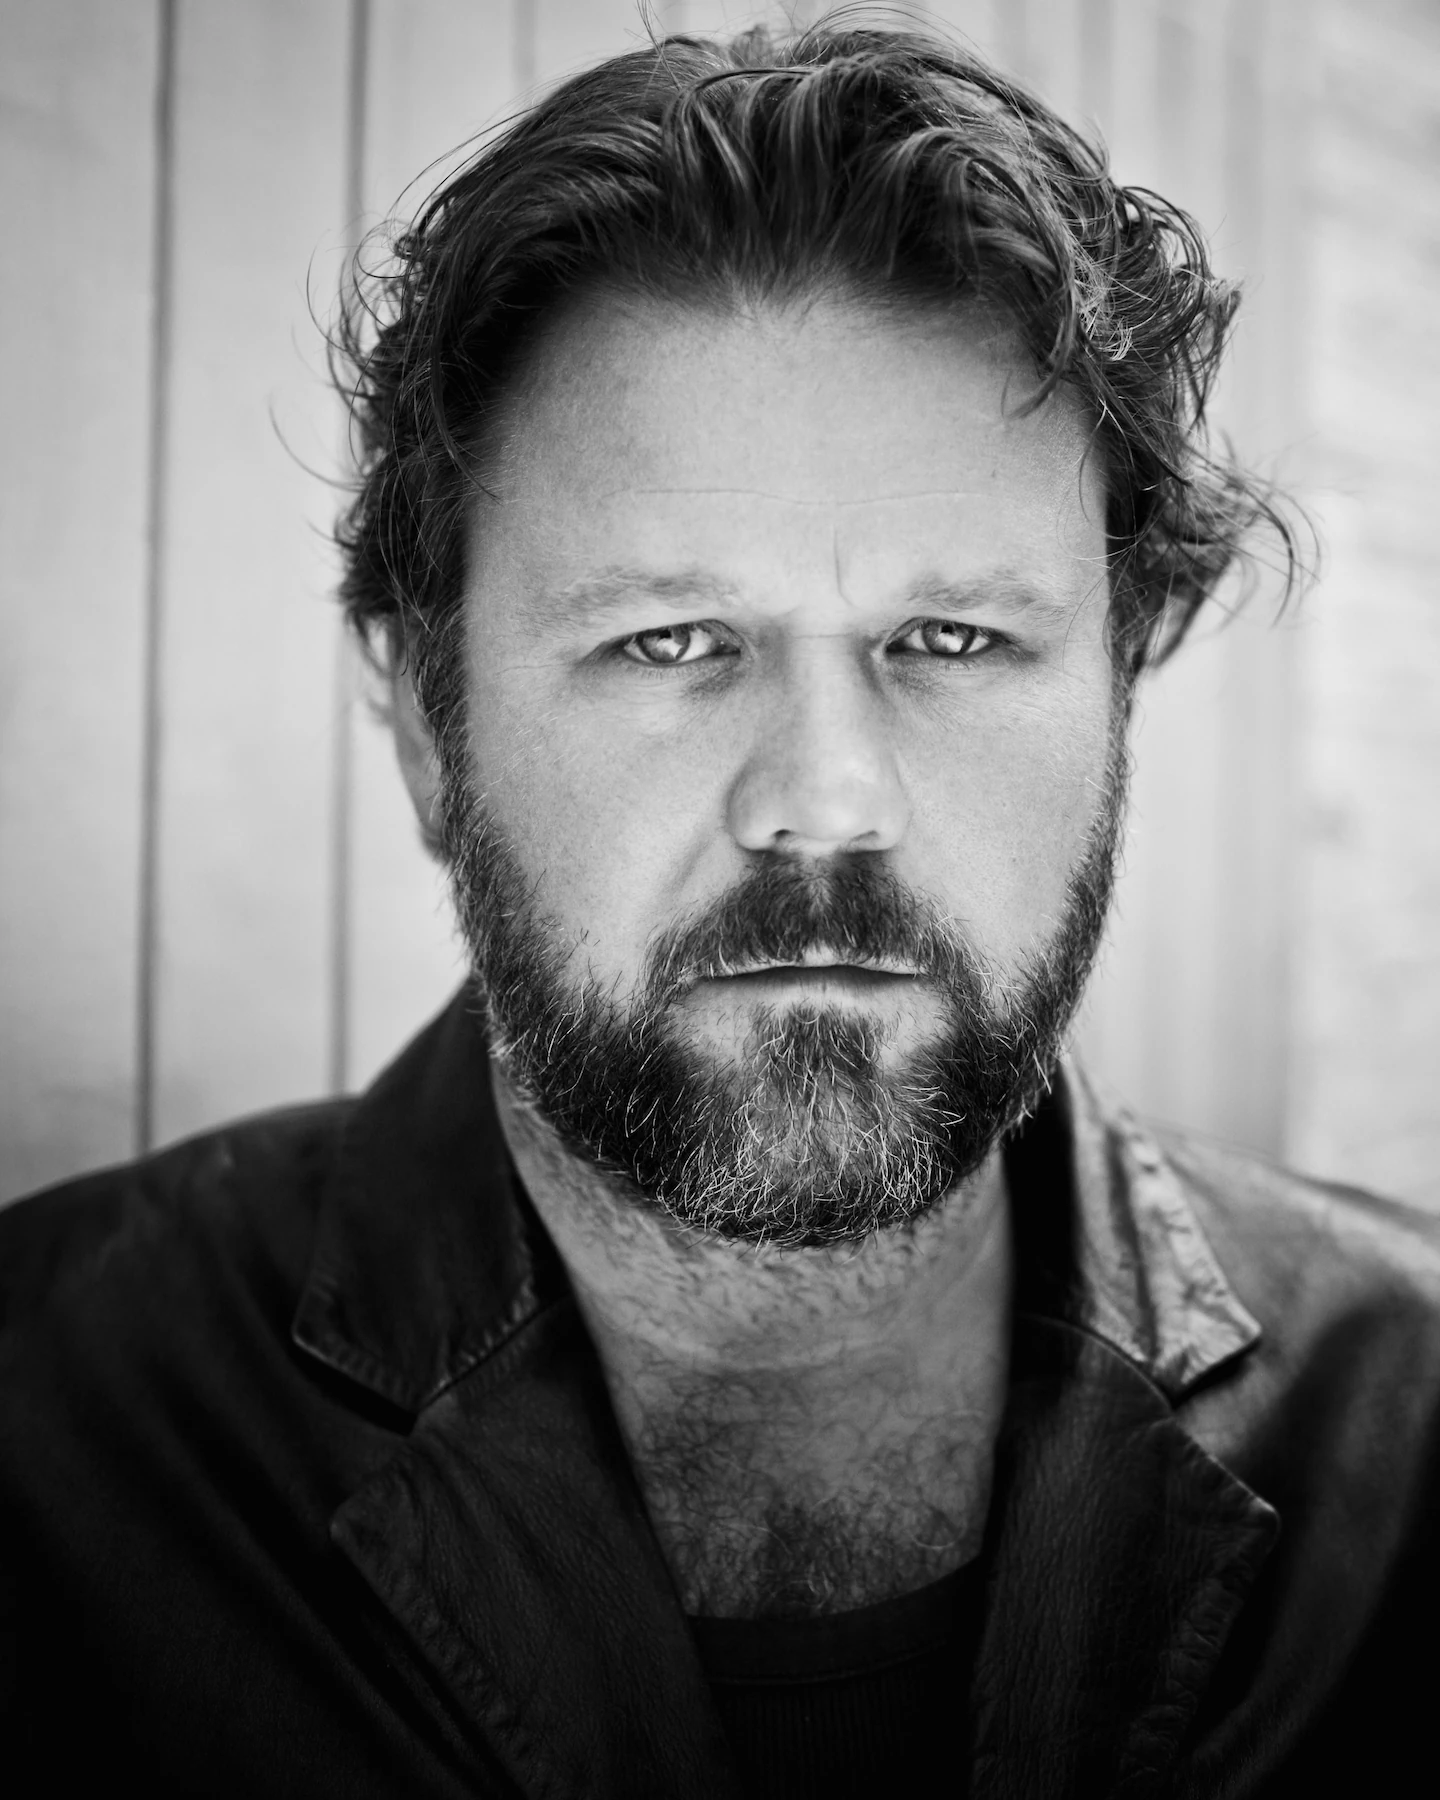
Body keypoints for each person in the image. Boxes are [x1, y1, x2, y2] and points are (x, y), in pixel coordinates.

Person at [3, 21, 1438, 1799]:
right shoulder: (44, 1432)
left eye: (955, 638)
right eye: (670, 640)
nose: (826, 797)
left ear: (1122, 691)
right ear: (428, 725)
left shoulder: (1416, 1426)